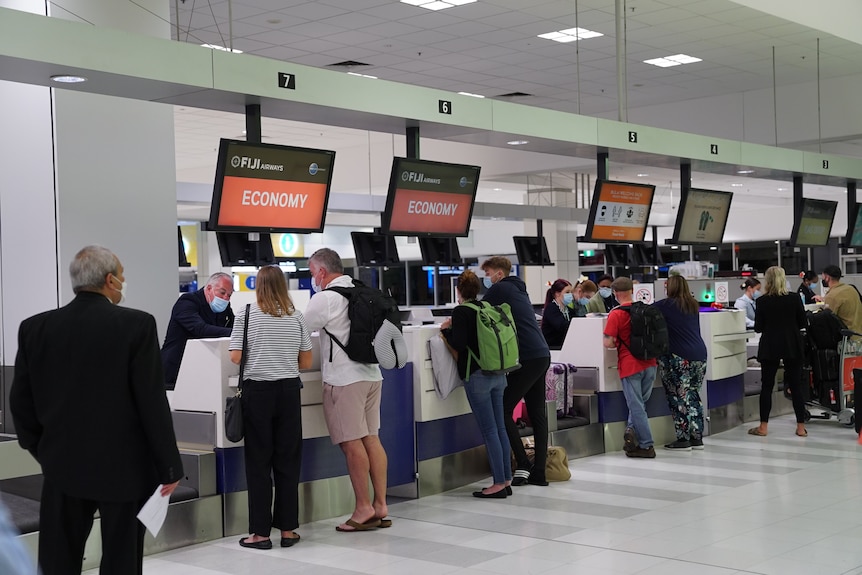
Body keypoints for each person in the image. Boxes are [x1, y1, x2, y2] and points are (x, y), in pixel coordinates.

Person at [10, 245, 183, 575]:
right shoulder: (136, 325)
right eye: (122, 275)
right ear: (109, 280)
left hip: (61, 465)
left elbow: (21, 401)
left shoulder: (35, 328)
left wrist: (41, 448)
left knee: (59, 554)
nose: (123, 281)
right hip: (125, 469)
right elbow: (150, 401)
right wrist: (169, 467)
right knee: (122, 557)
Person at [303, 248, 391, 531]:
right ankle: (381, 505)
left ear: (321, 272)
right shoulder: (363, 290)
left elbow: (299, 331)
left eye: (311, 272)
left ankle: (363, 508)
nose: (312, 278)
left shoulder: (325, 298)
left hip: (344, 379)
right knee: (371, 439)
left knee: (351, 443)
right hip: (372, 375)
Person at [229, 266, 312, 550]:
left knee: (258, 463)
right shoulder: (296, 315)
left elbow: (236, 357)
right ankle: (288, 530)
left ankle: (260, 534)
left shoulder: (247, 314)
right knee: (288, 461)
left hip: (258, 394)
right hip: (289, 392)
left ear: (258, 285)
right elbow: (306, 362)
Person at [440, 270, 512, 498]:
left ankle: (498, 483)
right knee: (500, 427)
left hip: (477, 375)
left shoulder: (462, 311)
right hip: (498, 374)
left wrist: (445, 331)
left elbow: (459, 344)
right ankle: (507, 478)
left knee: (489, 429)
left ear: (458, 290)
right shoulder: (485, 308)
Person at [481, 256, 551, 486]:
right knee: (537, 413)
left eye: (488, 273)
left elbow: (477, 312)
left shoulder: (500, 289)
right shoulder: (519, 289)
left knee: (503, 409)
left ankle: (522, 463)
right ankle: (539, 471)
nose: (487, 279)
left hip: (528, 357)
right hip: (541, 354)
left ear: (499, 273)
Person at [748, 266, 808, 438]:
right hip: (792, 345)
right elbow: (803, 323)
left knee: (766, 386)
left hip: (770, 346)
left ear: (767, 281)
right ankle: (801, 428)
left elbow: (758, 327)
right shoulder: (795, 298)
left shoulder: (762, 301)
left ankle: (763, 427)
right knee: (796, 386)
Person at [603, 276, 657, 458]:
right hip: (650, 363)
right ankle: (630, 432)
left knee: (636, 406)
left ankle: (647, 445)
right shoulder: (646, 310)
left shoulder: (616, 314)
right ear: (632, 291)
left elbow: (608, 343)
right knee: (640, 405)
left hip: (630, 365)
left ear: (616, 294)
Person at [653, 275, 708, 450]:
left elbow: (644, 312)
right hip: (700, 354)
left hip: (678, 356)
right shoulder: (693, 305)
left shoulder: (664, 306)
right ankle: (696, 437)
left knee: (678, 397)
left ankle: (683, 439)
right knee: (693, 395)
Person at [161, 272, 235, 388]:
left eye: (229, 295)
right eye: (222, 293)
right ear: (209, 288)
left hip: (204, 371)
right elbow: (200, 329)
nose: (225, 298)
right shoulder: (187, 302)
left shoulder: (224, 309)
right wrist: (236, 333)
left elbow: (233, 325)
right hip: (176, 370)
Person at [821, 264, 862, 334]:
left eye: (823, 277)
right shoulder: (851, 289)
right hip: (858, 334)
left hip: (846, 339)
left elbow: (828, 322)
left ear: (827, 277)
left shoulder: (832, 296)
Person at [541, 278, 573, 350]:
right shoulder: (551, 309)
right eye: (567, 292)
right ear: (557, 293)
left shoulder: (569, 310)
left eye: (571, 292)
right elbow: (562, 326)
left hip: (563, 347)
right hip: (552, 348)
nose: (570, 295)